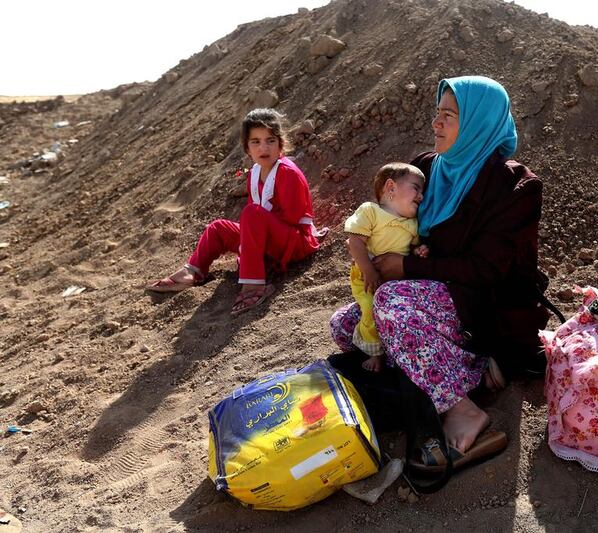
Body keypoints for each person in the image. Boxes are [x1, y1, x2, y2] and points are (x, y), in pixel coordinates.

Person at [329, 75, 551, 460]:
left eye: (448, 116)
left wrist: (408, 267)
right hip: (424, 294)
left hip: (482, 304)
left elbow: (489, 271)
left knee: (391, 306)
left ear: (479, 123)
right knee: (345, 325)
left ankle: (459, 407)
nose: (436, 124)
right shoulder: (428, 168)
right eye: (437, 113)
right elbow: (387, 214)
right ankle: (472, 368)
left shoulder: (514, 185)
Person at [147, 108, 323, 315]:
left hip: (295, 243)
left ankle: (254, 286)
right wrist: (252, 242)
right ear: (247, 147)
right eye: (255, 142)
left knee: (251, 213)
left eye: (270, 140)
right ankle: (192, 271)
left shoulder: (287, 172)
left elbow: (291, 218)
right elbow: (259, 218)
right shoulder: (255, 172)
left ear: (280, 144)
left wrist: (254, 245)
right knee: (218, 228)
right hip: (270, 238)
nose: (263, 148)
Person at [343, 163, 428, 372]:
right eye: (416, 188)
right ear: (391, 188)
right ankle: (375, 353)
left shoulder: (412, 224)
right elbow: (355, 242)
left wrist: (419, 252)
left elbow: (412, 248)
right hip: (367, 277)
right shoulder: (370, 211)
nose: (422, 196)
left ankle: (393, 348)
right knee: (371, 311)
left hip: (395, 281)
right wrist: (368, 270)